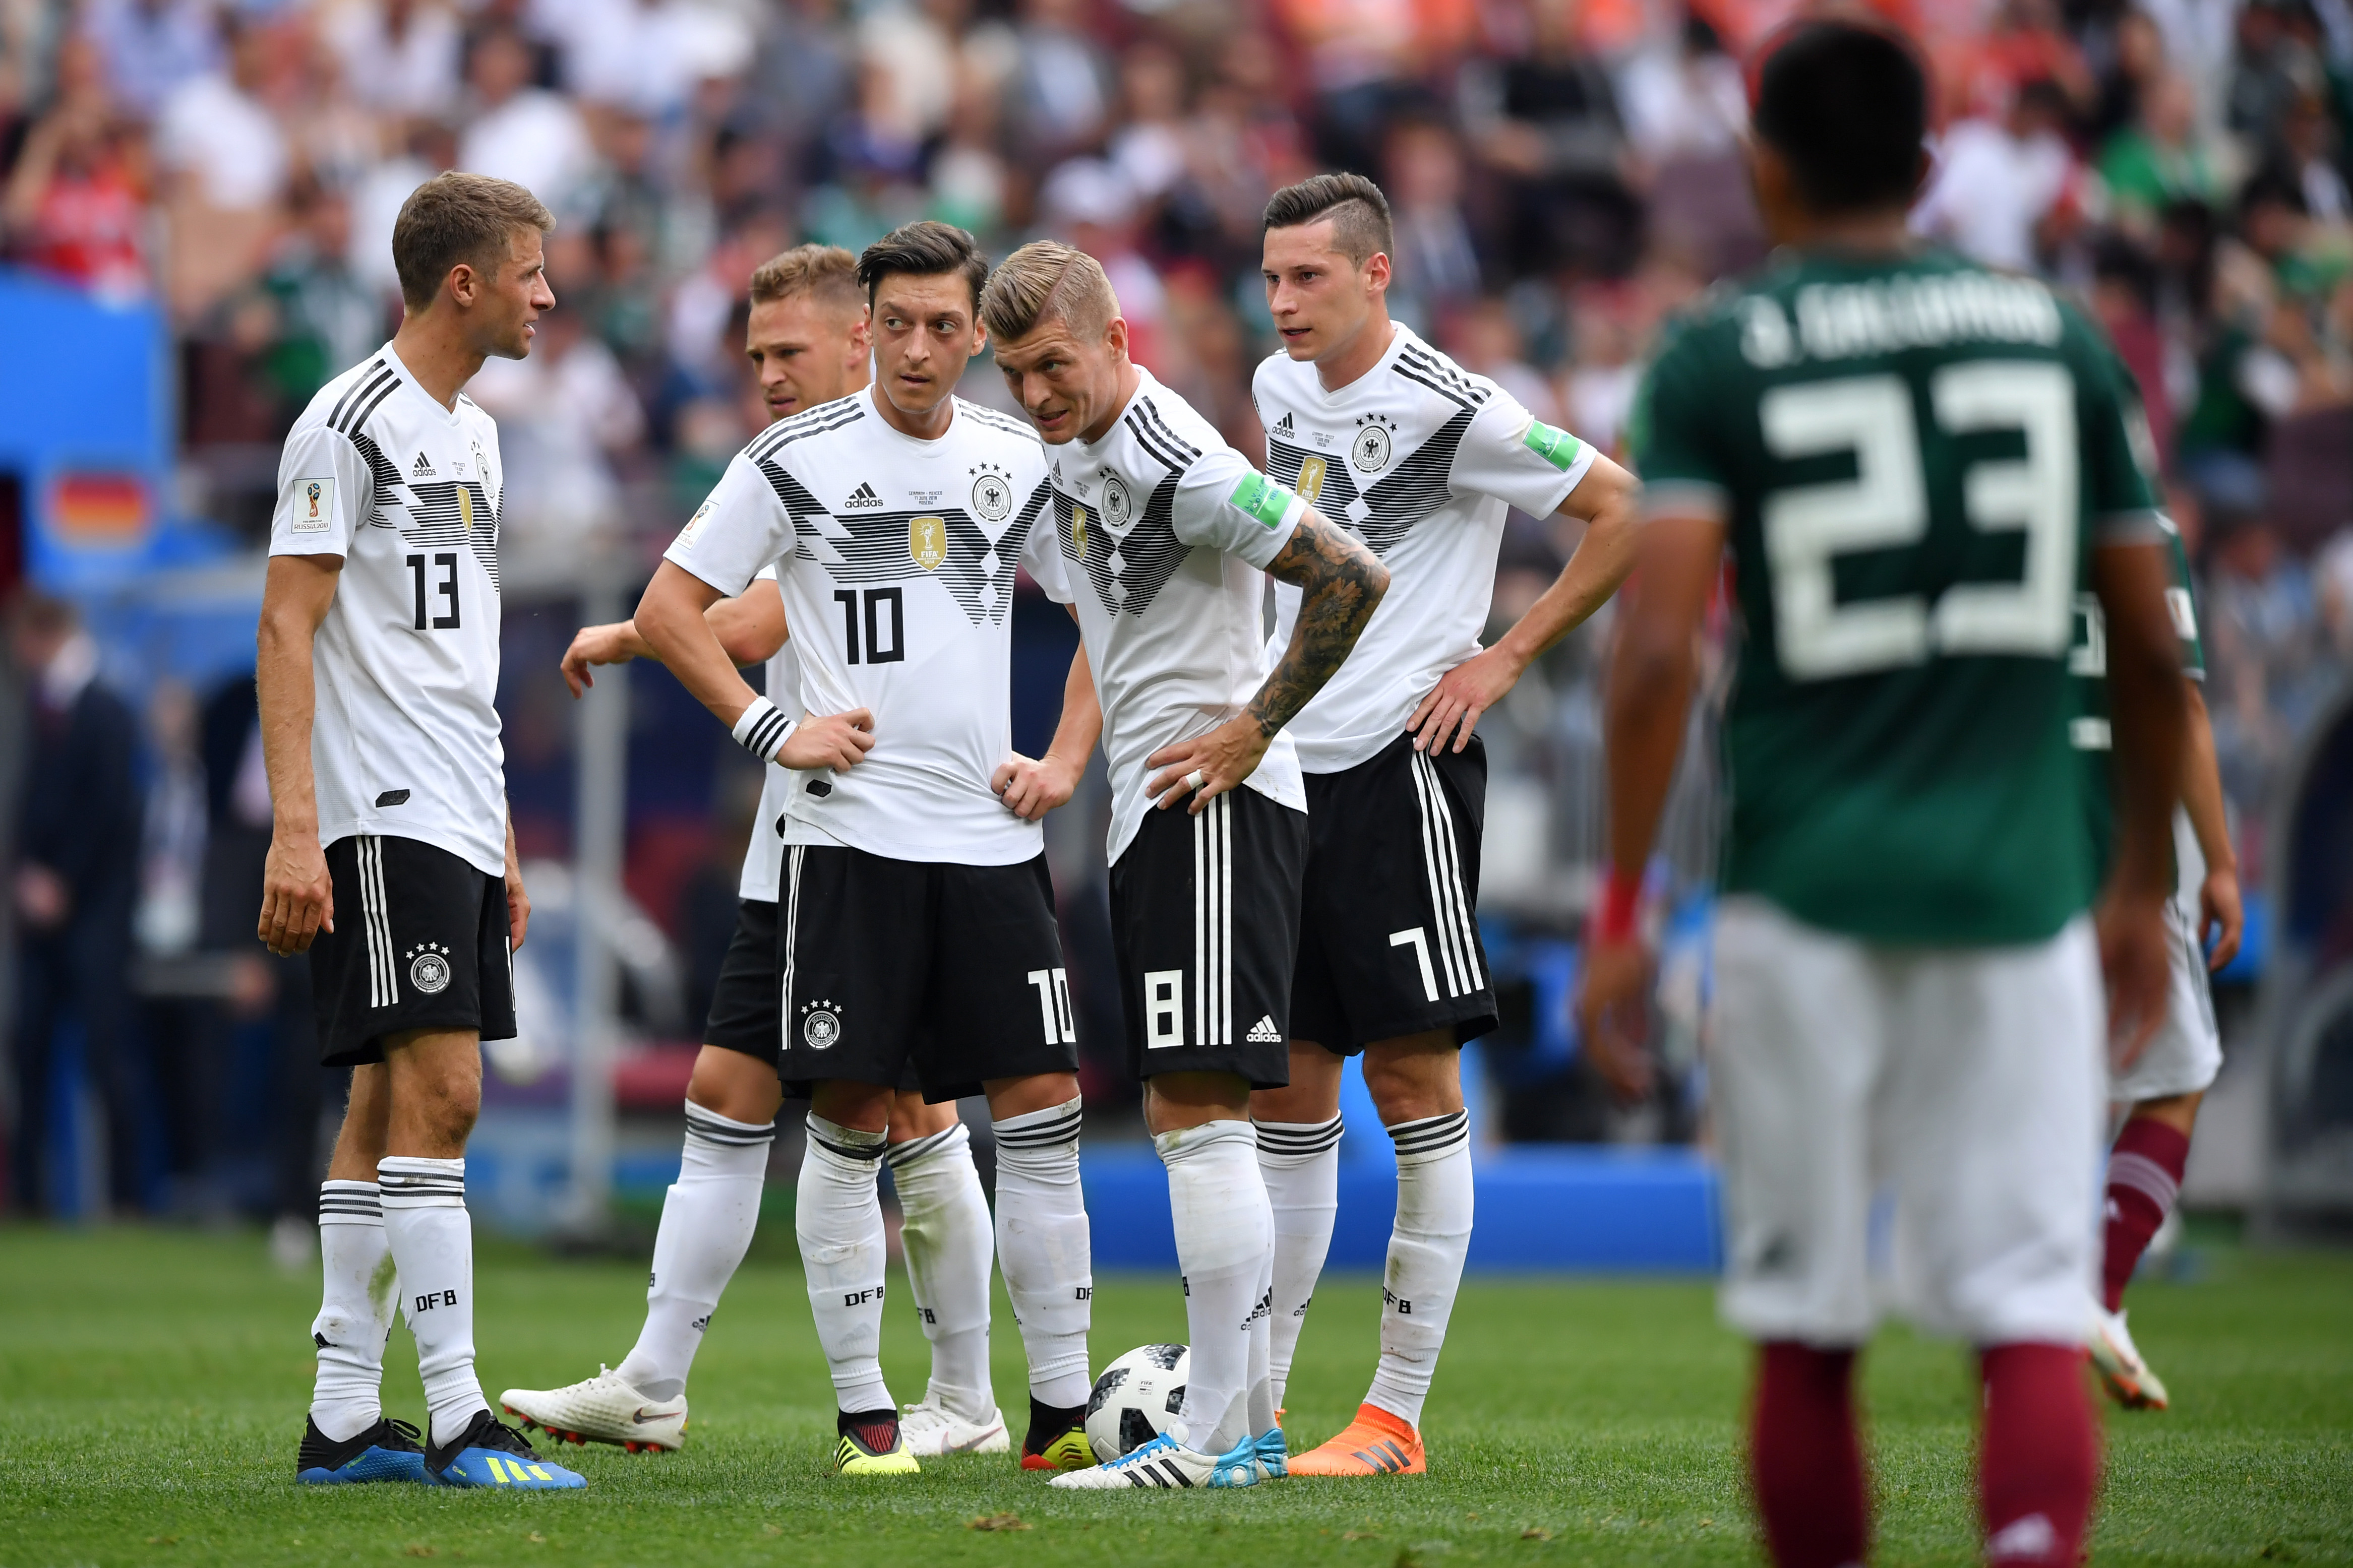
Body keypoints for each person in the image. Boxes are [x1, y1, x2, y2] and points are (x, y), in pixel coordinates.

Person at [1580, 21, 2187, 1568]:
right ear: (1927, 166)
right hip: (2018, 886)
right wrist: (2132, 880)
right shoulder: (2052, 337)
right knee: (2028, 1312)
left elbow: (1652, 657)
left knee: (1804, 1325)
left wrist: (1621, 906)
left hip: (1803, 887)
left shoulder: (1715, 349)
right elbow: (2140, 633)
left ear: (1762, 163)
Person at [505, 244, 1013, 1460]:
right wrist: (638, 634)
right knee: (733, 1094)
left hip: (880, 838)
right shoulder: (806, 468)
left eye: (789, 352)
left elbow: (759, 615)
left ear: (859, 340)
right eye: (753, 357)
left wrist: (657, 646)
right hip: (803, 847)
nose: (768, 375)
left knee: (903, 1108)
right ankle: (656, 1377)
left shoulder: (887, 461)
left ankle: (955, 1397)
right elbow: (764, 608)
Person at [633, 221, 1100, 1478]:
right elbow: (671, 611)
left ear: (976, 337)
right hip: (851, 844)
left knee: (1043, 1107)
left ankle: (1056, 1411)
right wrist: (767, 724)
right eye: (896, 323)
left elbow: (1108, 612)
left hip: (991, 846)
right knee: (847, 1112)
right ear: (869, 327)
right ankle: (865, 1417)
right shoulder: (790, 460)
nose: (918, 347)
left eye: (945, 326)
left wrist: (1060, 763)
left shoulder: (1015, 459)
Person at [1245, 172, 1642, 1476]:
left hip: (1398, 766)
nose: (1284, 300)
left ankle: (1393, 1414)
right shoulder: (1272, 387)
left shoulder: (1449, 404)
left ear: (1377, 272)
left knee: (1411, 1082)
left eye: (1310, 275)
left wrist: (1505, 655)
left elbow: (1620, 507)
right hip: (1288, 770)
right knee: (1288, 1098)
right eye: (1272, 275)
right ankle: (1253, 1406)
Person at [982, 239, 1390, 1491]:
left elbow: (1348, 573)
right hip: (1151, 813)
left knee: (1202, 1111)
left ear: (1117, 340)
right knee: (1185, 1110)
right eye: (1016, 375)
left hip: (1215, 806)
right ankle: (1242, 1419)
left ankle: (1215, 1435)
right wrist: (1064, 761)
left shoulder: (1178, 460)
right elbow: (1109, 625)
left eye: (1053, 364)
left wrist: (1254, 724)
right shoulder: (1073, 458)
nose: (1036, 394)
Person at [261, 171, 582, 1491]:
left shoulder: (479, 436)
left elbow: (457, 653)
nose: (548, 294)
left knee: (389, 1094)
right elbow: (289, 620)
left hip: (455, 799)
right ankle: (458, 1418)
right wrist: (297, 824)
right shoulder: (343, 424)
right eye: (531, 269)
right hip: (378, 802)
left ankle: (342, 1417)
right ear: (466, 281)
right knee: (446, 1091)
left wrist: (500, 825)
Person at [2080, 516, 2242, 1413]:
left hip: (2015, 823)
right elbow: (2177, 699)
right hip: (2130, 831)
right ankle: (2095, 1293)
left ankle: (2016, 1338)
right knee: (2175, 1076)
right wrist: (2220, 862)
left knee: (2038, 1086)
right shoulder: (2136, 525)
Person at [9, 592, 141, 1216]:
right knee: (30, 1048)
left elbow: (113, 813)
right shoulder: (42, 710)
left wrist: (63, 882)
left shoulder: (104, 709)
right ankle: (31, 1199)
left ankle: (128, 1199)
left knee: (107, 1055)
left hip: (94, 918)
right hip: (42, 919)